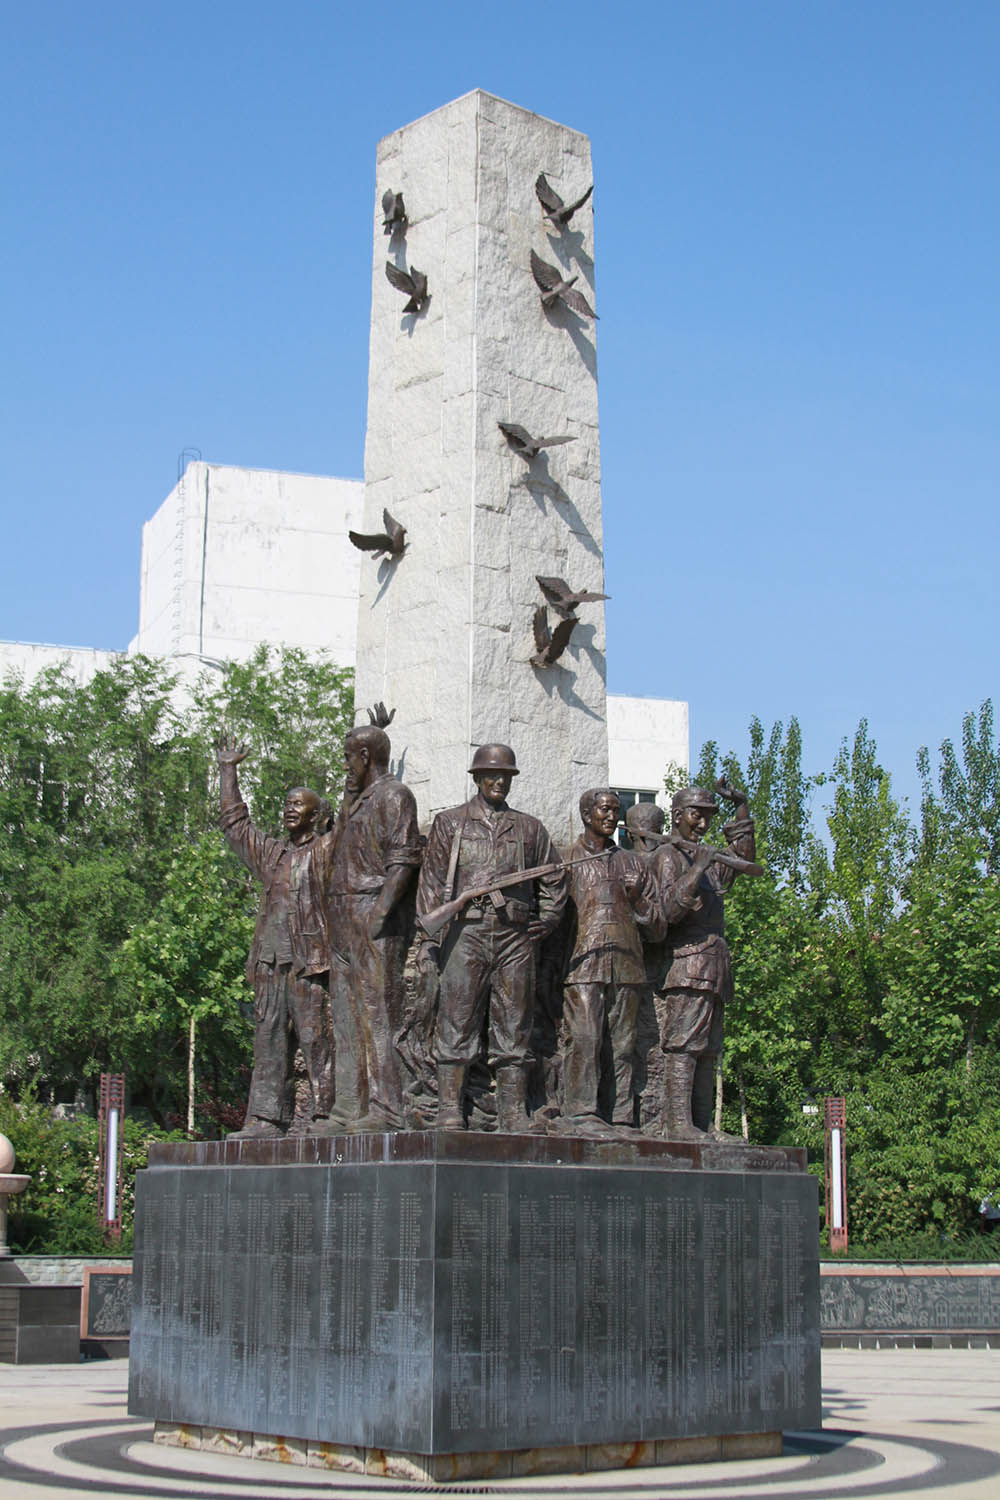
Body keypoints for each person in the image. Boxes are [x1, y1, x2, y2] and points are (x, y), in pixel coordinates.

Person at [416, 744, 566, 1132]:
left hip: (515, 937)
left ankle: (512, 1111)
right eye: (492, 775)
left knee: (514, 1022)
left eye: (506, 776)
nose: (499, 782)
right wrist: (430, 942)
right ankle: (451, 1107)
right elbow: (432, 885)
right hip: (465, 931)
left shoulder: (530, 828)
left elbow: (554, 879)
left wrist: (548, 920)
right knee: (457, 1017)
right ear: (477, 778)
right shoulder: (451, 823)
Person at [217, 735, 334, 1139]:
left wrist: (374, 754)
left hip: (309, 962)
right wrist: (228, 769)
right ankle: (266, 1119)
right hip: (269, 962)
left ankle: (327, 1116)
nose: (289, 808)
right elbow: (235, 824)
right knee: (267, 1041)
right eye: (286, 803)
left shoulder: (325, 851)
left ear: (316, 815)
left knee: (316, 1041)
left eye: (298, 803)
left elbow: (356, 822)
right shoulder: (272, 855)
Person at [324, 724, 422, 1132]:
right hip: (343, 918)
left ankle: (387, 1109)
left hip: (371, 915)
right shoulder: (358, 799)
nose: (345, 766)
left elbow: (404, 859)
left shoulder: (395, 795)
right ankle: (349, 1106)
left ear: (365, 758)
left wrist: (378, 916)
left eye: (349, 758)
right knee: (346, 1018)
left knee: (379, 1015)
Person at [654, 779, 755, 1140]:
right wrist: (696, 869)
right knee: (684, 1045)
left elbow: (743, 859)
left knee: (710, 1050)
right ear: (678, 816)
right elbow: (666, 910)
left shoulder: (708, 857)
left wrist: (740, 808)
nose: (702, 824)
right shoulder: (668, 856)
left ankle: (703, 1123)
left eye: (708, 817)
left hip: (714, 965)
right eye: (696, 816)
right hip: (686, 963)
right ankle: (678, 1123)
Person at [560, 788, 664, 1136]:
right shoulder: (568, 859)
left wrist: (637, 899)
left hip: (628, 964)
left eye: (615, 810)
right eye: (604, 810)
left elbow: (657, 928)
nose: (611, 817)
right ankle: (580, 1111)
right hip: (583, 964)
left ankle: (620, 1115)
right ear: (587, 814)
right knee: (585, 1038)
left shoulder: (634, 864)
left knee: (623, 1045)